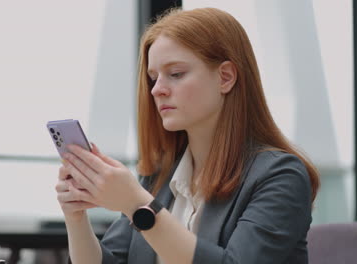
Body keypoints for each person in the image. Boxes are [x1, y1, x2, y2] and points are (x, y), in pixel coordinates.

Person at [55, 7, 320, 264]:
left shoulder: (281, 176)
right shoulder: (160, 178)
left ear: (225, 77)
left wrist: (137, 204)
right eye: (153, 78)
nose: (157, 90)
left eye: (176, 74)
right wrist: (75, 217)